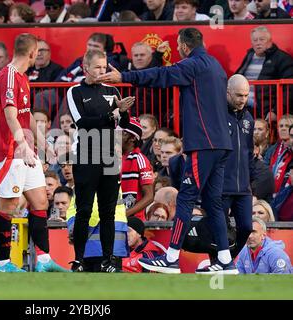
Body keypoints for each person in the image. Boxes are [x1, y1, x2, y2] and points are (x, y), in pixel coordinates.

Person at [98, 27, 236, 274]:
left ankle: (171, 257)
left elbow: (162, 75)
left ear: (183, 46)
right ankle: (225, 260)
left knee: (185, 197)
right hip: (222, 144)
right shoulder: (215, 65)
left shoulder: (193, 64)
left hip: (203, 144)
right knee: (214, 202)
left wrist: (125, 77)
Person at [0, 33, 68, 273]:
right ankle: (3, 264)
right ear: (32, 53)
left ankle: (43, 261)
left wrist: (44, 143)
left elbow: (26, 114)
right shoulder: (9, 76)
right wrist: (22, 143)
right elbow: (11, 114)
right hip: (7, 151)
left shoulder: (22, 77)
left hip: (24, 150)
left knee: (40, 201)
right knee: (9, 205)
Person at [67, 49, 135, 272]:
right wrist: (111, 115)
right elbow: (82, 122)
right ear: (85, 68)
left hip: (109, 157)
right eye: (97, 67)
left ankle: (109, 260)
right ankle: (79, 260)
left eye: (104, 67)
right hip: (86, 157)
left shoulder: (113, 90)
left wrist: (122, 111)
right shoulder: (75, 91)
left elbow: (121, 123)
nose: (102, 71)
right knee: (84, 211)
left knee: (108, 212)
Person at [221, 74, 254, 256]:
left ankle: (229, 258)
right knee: (219, 230)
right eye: (239, 95)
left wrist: (251, 183)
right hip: (223, 185)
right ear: (228, 92)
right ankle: (219, 261)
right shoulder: (217, 115)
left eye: (246, 95)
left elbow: (249, 151)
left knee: (246, 227)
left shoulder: (248, 118)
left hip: (243, 188)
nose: (243, 100)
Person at [119, 117, 154, 221]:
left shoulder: (140, 160)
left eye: (122, 133)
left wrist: (125, 214)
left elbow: (149, 196)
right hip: (113, 218)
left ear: (132, 138)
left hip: (132, 221)